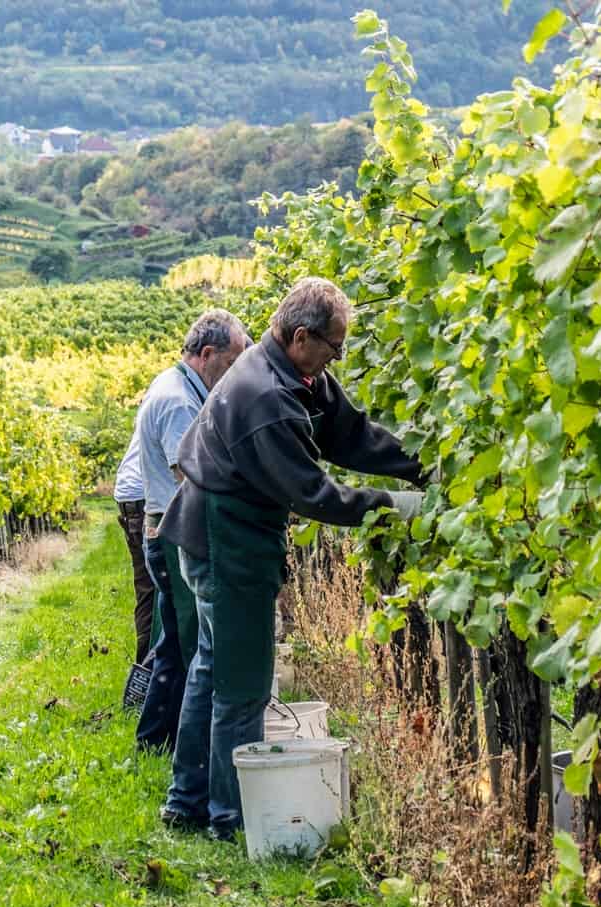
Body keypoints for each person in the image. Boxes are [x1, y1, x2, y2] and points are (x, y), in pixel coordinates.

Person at [157, 278, 425, 838]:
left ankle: (188, 802)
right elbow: (315, 494)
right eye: (334, 347)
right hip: (226, 542)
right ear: (302, 335)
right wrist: (397, 506)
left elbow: (348, 434)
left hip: (217, 534)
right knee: (242, 684)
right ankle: (231, 818)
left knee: (212, 668)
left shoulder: (292, 371)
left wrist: (420, 464)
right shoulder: (267, 398)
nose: (337, 359)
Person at [130, 309, 251, 752]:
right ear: (207, 354)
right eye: (235, 359)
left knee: (172, 643)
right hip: (175, 535)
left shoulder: (175, 384)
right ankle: (183, 745)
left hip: (163, 529)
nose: (239, 370)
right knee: (188, 650)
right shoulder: (180, 401)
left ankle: (154, 739)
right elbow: (196, 478)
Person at [113, 420, 154, 667]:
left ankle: (149, 675)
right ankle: (150, 675)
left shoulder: (165, 387)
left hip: (134, 496)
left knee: (148, 590)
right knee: (156, 590)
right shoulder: (179, 398)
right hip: (143, 497)